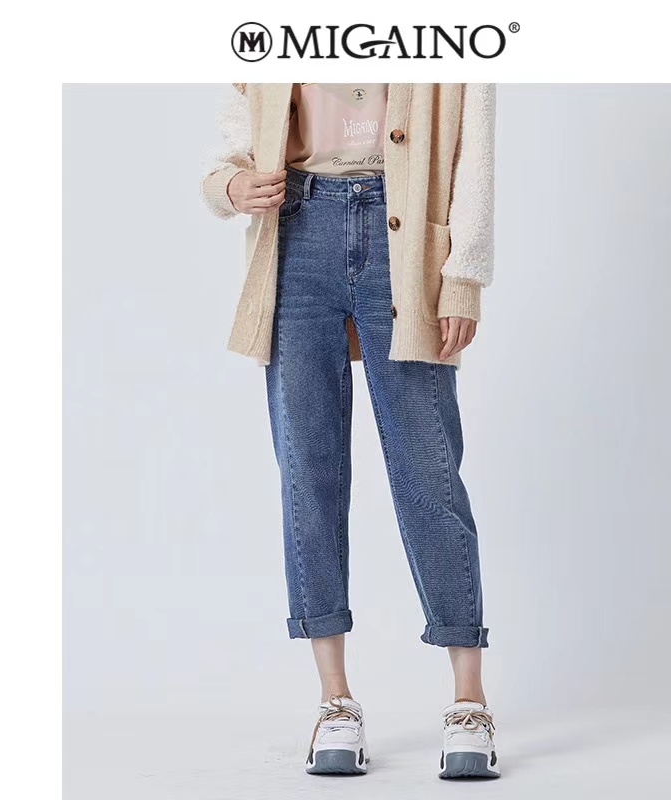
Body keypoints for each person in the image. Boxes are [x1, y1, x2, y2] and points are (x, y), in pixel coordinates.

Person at [200, 82, 499, 780]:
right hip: (296, 237)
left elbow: (474, 153)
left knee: (428, 474)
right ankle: (334, 700)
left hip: (407, 237)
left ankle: (469, 699)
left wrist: (464, 278)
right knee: (309, 473)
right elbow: (232, 151)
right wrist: (232, 186)